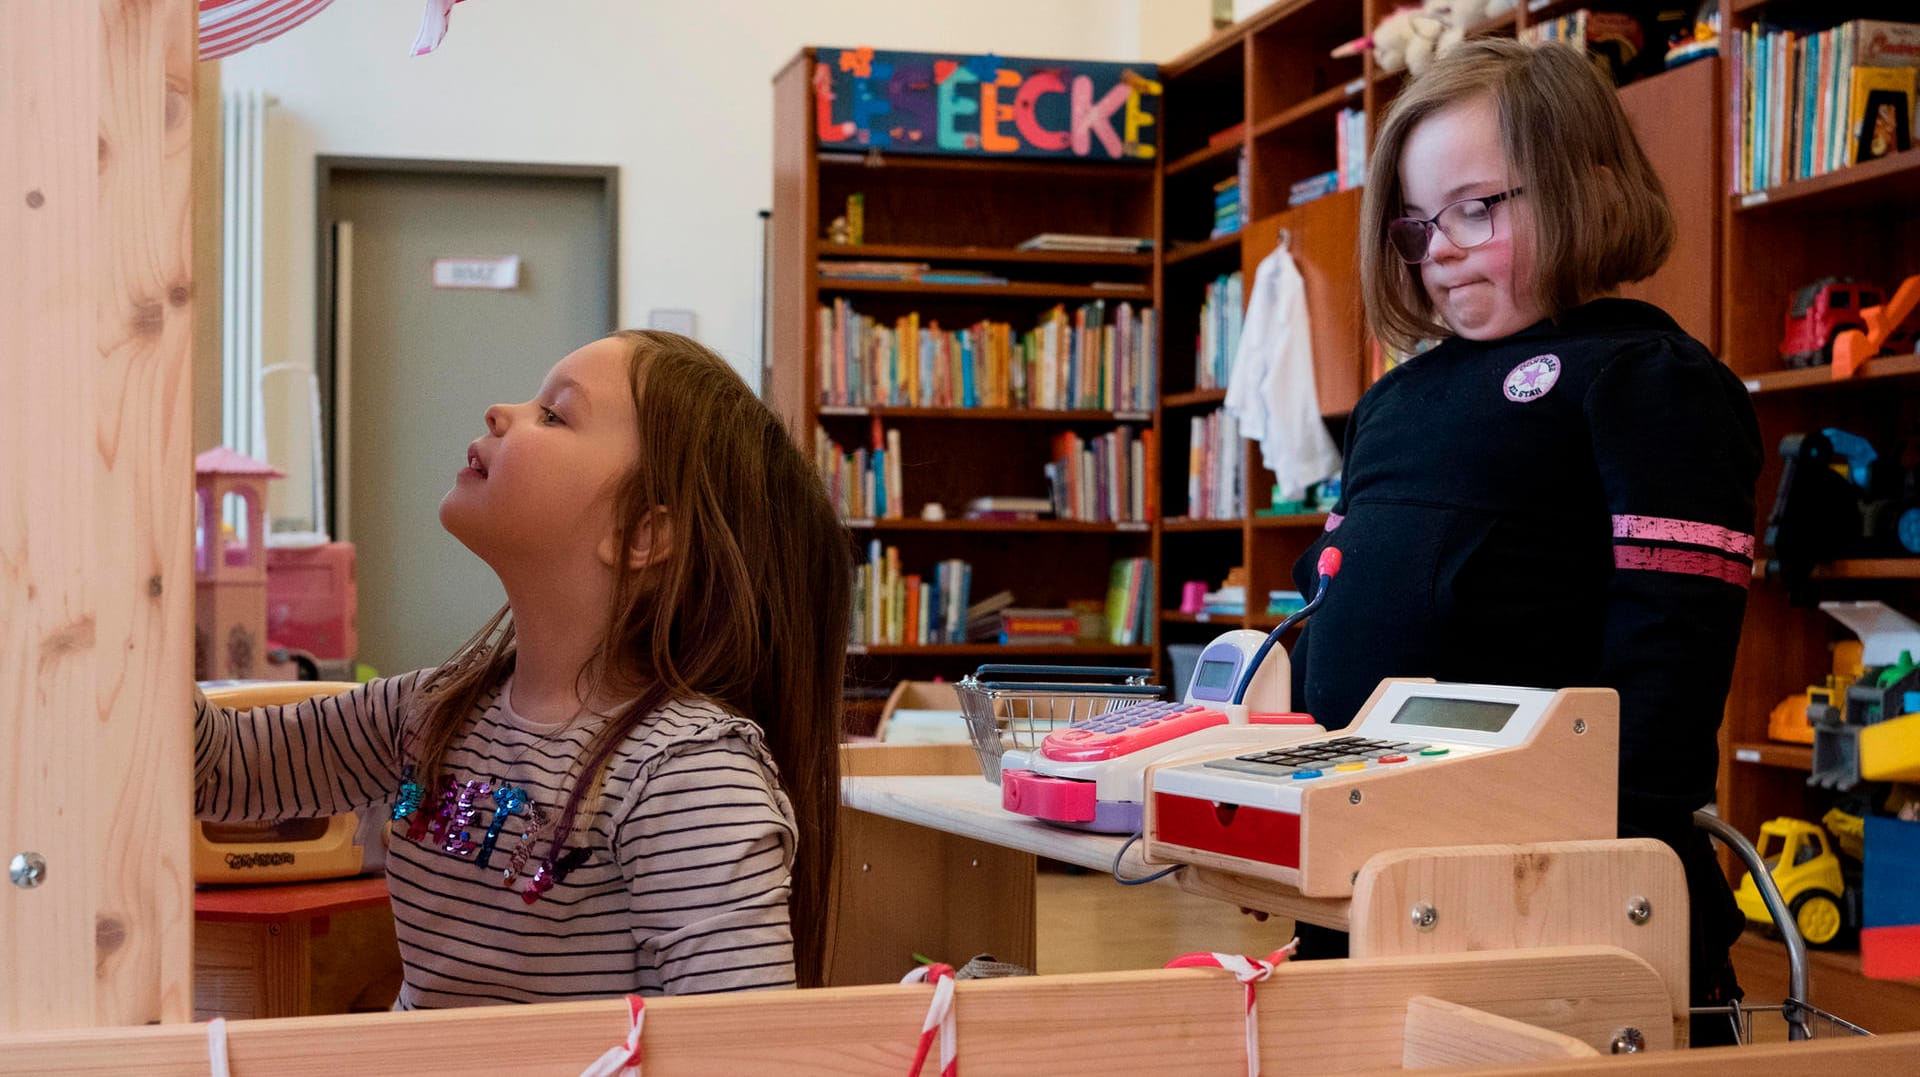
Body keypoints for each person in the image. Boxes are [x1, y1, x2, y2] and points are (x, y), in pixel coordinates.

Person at [1285, 37, 1760, 1038]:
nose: (1442, 247)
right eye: (1418, 224)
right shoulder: (1397, 399)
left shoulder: (1647, 381)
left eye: (1479, 208)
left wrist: (1611, 858)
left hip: (1559, 898)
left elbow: (1669, 659)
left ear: (1585, 188)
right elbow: (1334, 595)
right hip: (1367, 867)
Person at [193, 330, 851, 1007]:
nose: (499, 412)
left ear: (644, 535)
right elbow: (210, 768)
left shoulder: (687, 773)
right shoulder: (427, 711)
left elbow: (741, 1052)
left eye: (554, 413)